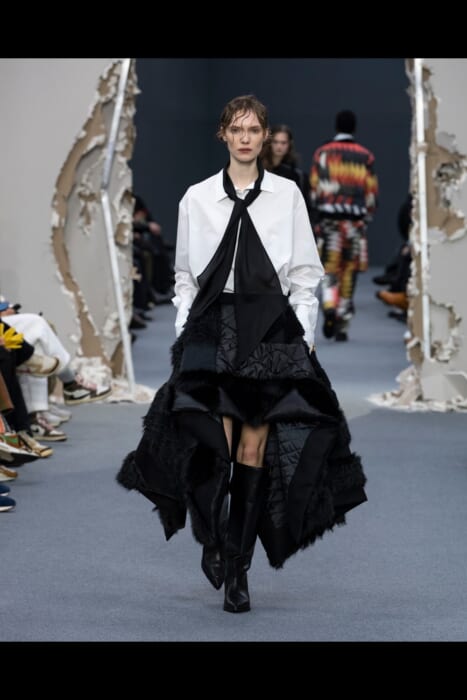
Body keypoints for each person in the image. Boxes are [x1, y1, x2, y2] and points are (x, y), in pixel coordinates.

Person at [117, 95, 367, 613]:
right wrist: (185, 333)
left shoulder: (288, 195)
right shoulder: (197, 198)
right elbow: (184, 278)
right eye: (237, 129)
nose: (246, 138)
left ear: (265, 135)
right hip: (213, 325)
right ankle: (212, 537)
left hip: (272, 329)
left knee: (253, 450)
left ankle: (238, 568)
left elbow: (305, 274)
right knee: (214, 443)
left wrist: (304, 334)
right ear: (224, 135)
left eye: (254, 129)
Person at [310, 109, 379, 341]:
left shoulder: (323, 153)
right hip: (354, 224)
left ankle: (329, 305)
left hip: (329, 221)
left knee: (329, 267)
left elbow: (314, 188)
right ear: (354, 128)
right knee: (350, 270)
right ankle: (342, 321)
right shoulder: (366, 156)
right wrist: (366, 217)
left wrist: (318, 215)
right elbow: (371, 193)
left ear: (336, 127)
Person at [260, 124, 313, 223]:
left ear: (289, 144)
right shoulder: (259, 170)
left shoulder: (297, 176)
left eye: (283, 143)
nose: (279, 146)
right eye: (275, 142)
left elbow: (303, 207)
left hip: (288, 222)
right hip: (263, 220)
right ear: (270, 143)